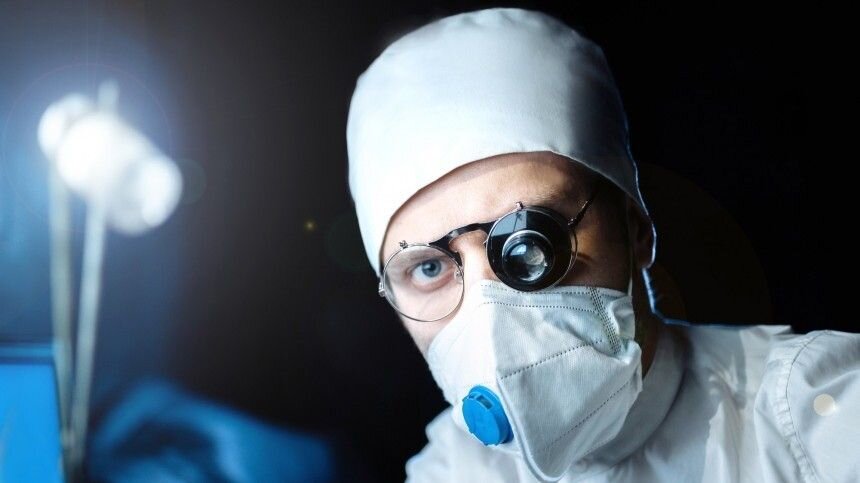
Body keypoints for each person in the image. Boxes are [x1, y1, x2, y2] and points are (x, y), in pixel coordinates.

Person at [345, 7, 858, 483]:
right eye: (429, 269)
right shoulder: (448, 472)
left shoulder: (809, 418)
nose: (489, 313)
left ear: (635, 226)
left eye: (528, 243)